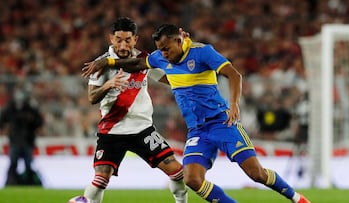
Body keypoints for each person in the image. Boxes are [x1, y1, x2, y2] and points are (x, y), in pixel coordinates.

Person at [82, 24, 311, 203]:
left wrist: (234, 104)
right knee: (191, 179)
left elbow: (234, 75)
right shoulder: (160, 56)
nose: (164, 55)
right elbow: (136, 64)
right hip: (198, 130)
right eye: (160, 50)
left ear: (180, 40)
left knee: (256, 174)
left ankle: (296, 198)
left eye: (167, 48)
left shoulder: (203, 53)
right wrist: (106, 61)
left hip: (222, 122)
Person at [83, 18, 187, 203]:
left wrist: (185, 55)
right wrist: (108, 85)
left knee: (177, 171)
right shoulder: (100, 64)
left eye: (128, 40)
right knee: (100, 180)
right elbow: (92, 98)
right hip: (112, 131)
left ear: (135, 39)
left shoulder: (144, 60)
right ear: (111, 39)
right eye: (118, 39)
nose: (123, 45)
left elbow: (170, 79)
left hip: (142, 129)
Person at [0, 85, 43, 186]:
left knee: (26, 164)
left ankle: (23, 183)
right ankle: (12, 182)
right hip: (17, 141)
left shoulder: (29, 108)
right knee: (14, 163)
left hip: (26, 141)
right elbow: (2, 120)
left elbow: (39, 121)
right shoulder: (12, 107)